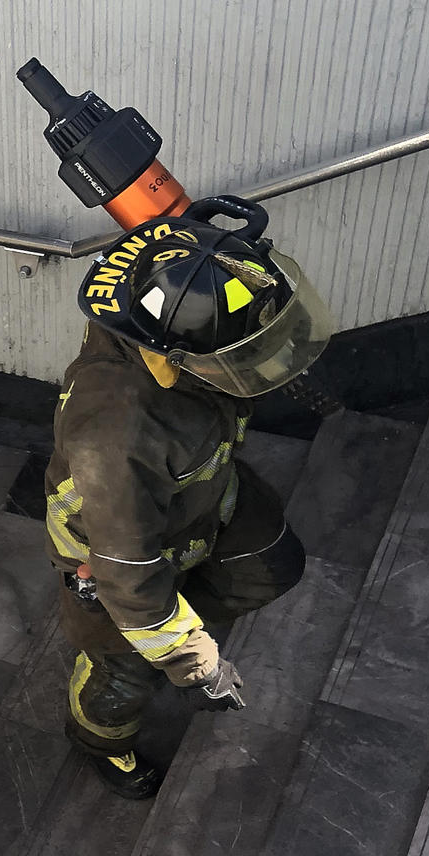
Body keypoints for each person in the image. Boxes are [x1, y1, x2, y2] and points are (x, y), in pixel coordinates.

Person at [45, 196, 331, 797]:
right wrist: (193, 660)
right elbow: (126, 573)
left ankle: (179, 614)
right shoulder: (115, 438)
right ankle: (100, 739)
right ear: (174, 358)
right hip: (118, 552)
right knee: (127, 672)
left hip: (204, 495)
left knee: (273, 561)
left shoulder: (172, 286)